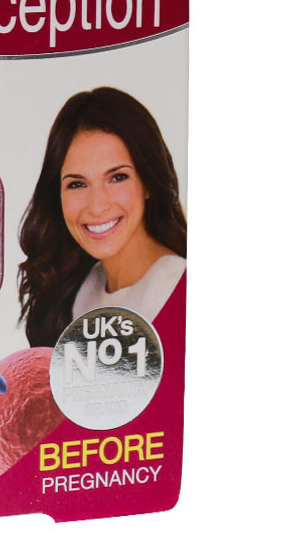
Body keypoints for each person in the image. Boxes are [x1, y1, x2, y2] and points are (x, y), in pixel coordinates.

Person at [18, 87, 187, 347]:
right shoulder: (77, 291)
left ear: (149, 183)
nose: (96, 206)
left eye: (118, 177)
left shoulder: (178, 290)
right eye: (77, 184)